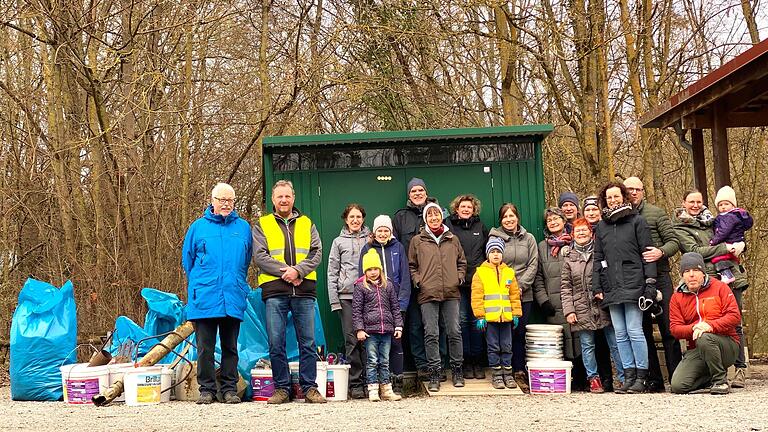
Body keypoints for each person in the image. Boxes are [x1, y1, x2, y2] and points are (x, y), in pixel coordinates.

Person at [252, 179, 326, 404]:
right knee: (276, 342)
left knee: (308, 343)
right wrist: (286, 273)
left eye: (287, 196)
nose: (284, 200)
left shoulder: (307, 223)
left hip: (304, 291)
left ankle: (309, 388)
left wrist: (298, 271)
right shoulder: (262, 225)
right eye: (279, 197)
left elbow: (317, 253)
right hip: (275, 291)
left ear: (293, 198)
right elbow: (260, 257)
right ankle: (282, 389)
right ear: (273, 200)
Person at [182, 183, 252, 405]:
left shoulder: (243, 228)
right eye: (221, 199)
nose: (225, 204)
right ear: (212, 201)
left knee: (231, 346)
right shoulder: (198, 228)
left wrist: (237, 281)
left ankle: (229, 389)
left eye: (230, 200)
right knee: (205, 347)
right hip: (205, 296)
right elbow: (188, 260)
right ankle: (207, 389)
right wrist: (202, 282)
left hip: (232, 294)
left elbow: (247, 258)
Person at [673, 189, 750, 388]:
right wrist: (725, 247)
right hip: (704, 278)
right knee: (706, 323)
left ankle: (740, 369)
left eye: (699, 201)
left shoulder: (715, 219)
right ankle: (709, 368)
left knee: (735, 322)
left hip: (730, 274)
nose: (696, 205)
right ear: (684, 203)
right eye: (691, 201)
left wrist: (738, 244)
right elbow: (695, 252)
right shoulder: (680, 227)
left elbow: (735, 235)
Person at [592, 181, 657, 394]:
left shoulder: (637, 221)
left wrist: (650, 282)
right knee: (619, 332)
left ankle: (642, 376)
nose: (613, 200)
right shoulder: (601, 226)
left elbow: (647, 254)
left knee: (634, 330)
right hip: (611, 284)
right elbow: (598, 257)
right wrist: (597, 284)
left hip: (634, 282)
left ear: (624, 197)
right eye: (609, 197)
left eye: (616, 196)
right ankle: (628, 376)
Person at [624, 176, 682, 392]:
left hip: (660, 277)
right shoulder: (622, 217)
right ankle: (654, 379)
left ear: (643, 191)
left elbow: (674, 241)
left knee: (669, 328)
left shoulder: (656, 213)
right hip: (636, 281)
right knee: (643, 330)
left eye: (637, 189)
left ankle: (677, 377)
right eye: (629, 189)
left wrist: (661, 252)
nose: (633, 193)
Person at [409, 202, 467, 391]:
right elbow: (412, 265)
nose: (434, 218)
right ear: (425, 218)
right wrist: (418, 281)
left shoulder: (452, 238)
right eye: (430, 215)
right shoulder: (418, 240)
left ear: (442, 216)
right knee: (431, 333)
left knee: (454, 331)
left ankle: (457, 369)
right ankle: (434, 371)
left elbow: (462, 262)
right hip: (428, 293)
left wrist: (458, 277)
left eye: (436, 214)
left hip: (451, 292)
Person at [560, 218, 623, 393]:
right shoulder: (568, 259)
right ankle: (593, 379)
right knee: (587, 346)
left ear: (591, 232)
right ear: (572, 235)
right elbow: (565, 288)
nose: (581, 233)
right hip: (581, 309)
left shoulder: (600, 254)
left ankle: (623, 377)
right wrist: (569, 311)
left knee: (615, 343)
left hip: (603, 306)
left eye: (584, 230)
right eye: (577, 231)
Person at [669, 252, 741, 395]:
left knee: (705, 337)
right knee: (678, 386)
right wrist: (694, 327)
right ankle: (710, 378)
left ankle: (720, 381)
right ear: (682, 275)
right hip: (697, 349)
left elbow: (734, 316)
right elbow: (675, 329)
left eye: (696, 270)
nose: (691, 275)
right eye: (687, 271)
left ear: (703, 273)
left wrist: (710, 326)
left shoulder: (720, 287)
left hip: (726, 344)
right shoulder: (677, 297)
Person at [534, 207, 586, 389]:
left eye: (557, 218)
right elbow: (538, 277)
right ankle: (563, 381)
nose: (553, 222)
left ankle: (584, 378)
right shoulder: (541, 247)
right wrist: (543, 300)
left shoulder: (575, 243)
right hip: (553, 302)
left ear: (564, 221)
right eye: (550, 220)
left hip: (577, 299)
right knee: (560, 341)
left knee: (580, 339)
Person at [488, 203, 538, 392]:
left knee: (518, 334)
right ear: (501, 220)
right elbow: (492, 264)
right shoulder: (494, 238)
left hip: (524, 295)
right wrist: (508, 288)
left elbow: (533, 264)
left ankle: (518, 371)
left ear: (517, 217)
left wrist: (520, 286)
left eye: (512, 216)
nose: (509, 219)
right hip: (501, 295)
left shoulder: (529, 238)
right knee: (501, 336)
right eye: (505, 217)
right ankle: (500, 372)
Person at [359, 215, 411, 393]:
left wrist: (402, 302)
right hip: (374, 306)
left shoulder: (398, 247)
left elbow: (405, 277)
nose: (382, 233)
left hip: (395, 305)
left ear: (390, 232)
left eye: (385, 230)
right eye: (379, 230)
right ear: (374, 232)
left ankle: (396, 381)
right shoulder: (367, 249)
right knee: (373, 347)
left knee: (396, 343)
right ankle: (374, 384)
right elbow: (362, 277)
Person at [326, 203, 370, 399]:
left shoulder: (371, 239)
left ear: (363, 219)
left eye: (358, 217)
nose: (355, 220)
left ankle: (372, 381)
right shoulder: (338, 242)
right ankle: (356, 383)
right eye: (352, 217)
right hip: (347, 298)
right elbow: (332, 272)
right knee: (351, 341)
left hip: (369, 296)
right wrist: (335, 301)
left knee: (369, 341)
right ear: (346, 219)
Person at [444, 194, 489, 380]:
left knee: (477, 322)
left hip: (478, 283)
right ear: (456, 208)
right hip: (457, 284)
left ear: (474, 209)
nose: (465, 209)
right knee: (460, 323)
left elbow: (488, 252)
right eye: (462, 206)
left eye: (469, 207)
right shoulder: (449, 227)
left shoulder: (481, 227)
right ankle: (464, 363)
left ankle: (478, 361)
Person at [353, 249, 404, 402]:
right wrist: (360, 329)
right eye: (369, 269)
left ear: (380, 269)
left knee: (385, 360)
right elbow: (356, 310)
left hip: (387, 330)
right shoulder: (361, 287)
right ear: (365, 271)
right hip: (370, 332)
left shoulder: (388, 286)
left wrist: (398, 326)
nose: (373, 272)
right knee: (372, 360)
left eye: (375, 269)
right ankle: (373, 389)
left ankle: (386, 389)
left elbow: (395, 307)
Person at [471, 237, 522, 389]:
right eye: (492, 251)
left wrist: (516, 314)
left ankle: (508, 374)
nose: (496, 254)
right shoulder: (480, 273)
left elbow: (514, 295)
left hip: (506, 318)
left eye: (498, 251)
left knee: (507, 346)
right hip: (490, 319)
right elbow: (477, 296)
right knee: (493, 346)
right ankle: (497, 375)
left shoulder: (509, 273)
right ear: (487, 254)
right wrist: (480, 316)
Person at [393, 177, 430, 379]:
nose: (417, 194)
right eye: (413, 191)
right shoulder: (400, 217)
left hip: (434, 280)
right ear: (409, 195)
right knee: (415, 325)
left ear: (426, 192)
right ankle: (421, 365)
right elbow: (396, 249)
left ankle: (437, 364)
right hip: (410, 281)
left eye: (420, 190)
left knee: (436, 325)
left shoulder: (437, 213)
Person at [709, 185, 753, 284]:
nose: (723, 207)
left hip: (730, 241)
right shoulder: (735, 216)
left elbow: (723, 231)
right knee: (730, 259)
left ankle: (726, 274)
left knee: (718, 258)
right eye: (720, 205)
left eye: (726, 204)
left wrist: (713, 241)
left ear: (733, 205)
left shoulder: (728, 217)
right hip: (736, 241)